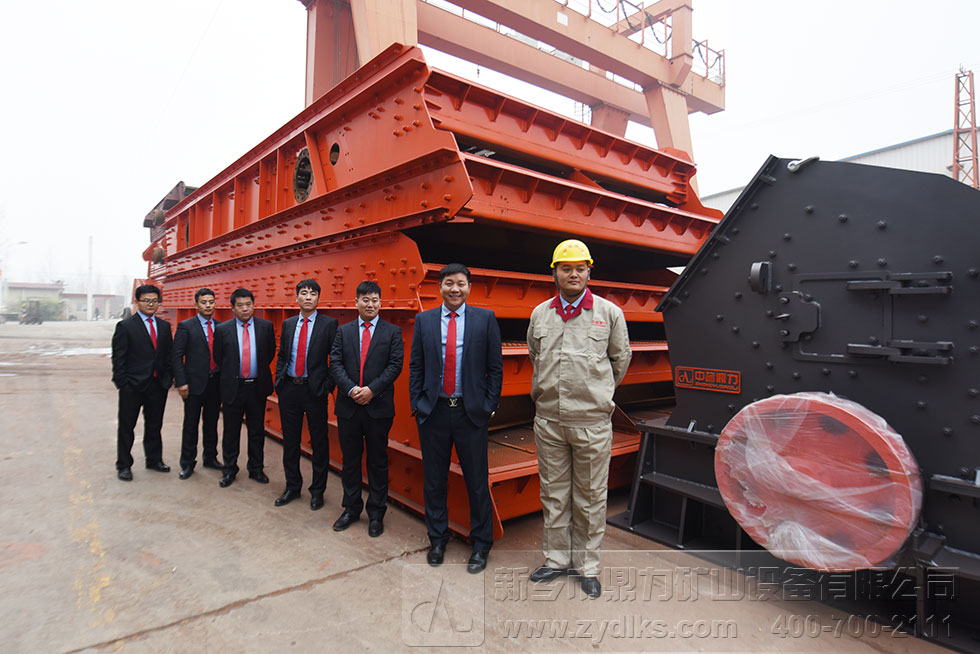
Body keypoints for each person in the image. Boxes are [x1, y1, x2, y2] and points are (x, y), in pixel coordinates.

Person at [526, 239, 632, 598]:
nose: (573, 274)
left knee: (590, 496)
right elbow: (535, 355)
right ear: (554, 272)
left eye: (580, 268)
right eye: (566, 268)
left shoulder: (609, 313)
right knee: (554, 495)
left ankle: (587, 566)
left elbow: (620, 360)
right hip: (549, 422)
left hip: (591, 423)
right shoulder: (540, 314)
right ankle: (556, 560)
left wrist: (595, 392)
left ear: (589, 271)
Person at [409, 263, 503, 573]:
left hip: (470, 413)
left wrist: (488, 406)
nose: (455, 289)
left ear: (469, 288)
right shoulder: (424, 321)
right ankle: (437, 539)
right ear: (440, 287)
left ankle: (481, 544)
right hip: (434, 412)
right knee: (435, 481)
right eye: (449, 283)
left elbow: (495, 367)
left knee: (476, 482)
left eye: (461, 284)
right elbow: (416, 365)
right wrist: (418, 404)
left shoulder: (484, 319)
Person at [329, 281, 404, 536]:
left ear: (381, 303)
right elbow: (335, 363)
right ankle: (351, 509)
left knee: (377, 461)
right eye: (365, 300)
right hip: (348, 407)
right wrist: (351, 390)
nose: (370, 304)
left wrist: (372, 390)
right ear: (356, 302)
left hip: (378, 407)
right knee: (350, 461)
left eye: (374, 300)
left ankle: (376, 514)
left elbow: (395, 365)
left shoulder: (392, 332)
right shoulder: (343, 331)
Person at [272, 279, 337, 510]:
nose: (308, 297)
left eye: (313, 293)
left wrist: (326, 386)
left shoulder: (329, 324)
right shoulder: (289, 324)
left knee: (319, 442)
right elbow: (282, 355)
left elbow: (335, 359)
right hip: (289, 389)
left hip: (314, 391)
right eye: (304, 293)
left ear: (318, 298)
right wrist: (279, 382)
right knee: (290, 441)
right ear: (297, 297)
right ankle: (292, 487)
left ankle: (317, 491)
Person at [213, 288, 276, 488]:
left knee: (256, 430)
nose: (245, 309)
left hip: (257, 387)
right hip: (234, 387)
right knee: (231, 431)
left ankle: (256, 469)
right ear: (233, 308)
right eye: (240, 305)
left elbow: (269, 353)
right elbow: (219, 357)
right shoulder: (223, 330)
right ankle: (229, 469)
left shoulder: (265, 327)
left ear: (254, 305)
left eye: (248, 304)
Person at [110, 284, 173, 481]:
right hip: (132, 386)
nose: (151, 304)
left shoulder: (164, 326)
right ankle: (124, 465)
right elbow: (118, 358)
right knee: (127, 426)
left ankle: (154, 460)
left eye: (154, 301)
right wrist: (122, 383)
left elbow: (168, 355)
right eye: (146, 301)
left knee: (154, 425)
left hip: (157, 384)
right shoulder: (126, 326)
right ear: (137, 302)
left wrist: (167, 377)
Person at [172, 288, 223, 479]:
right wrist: (181, 382)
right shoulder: (186, 326)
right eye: (204, 302)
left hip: (214, 383)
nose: (208, 305)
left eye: (211, 302)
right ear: (196, 305)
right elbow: (177, 356)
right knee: (191, 424)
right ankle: (187, 463)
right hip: (193, 384)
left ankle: (210, 457)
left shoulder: (220, 327)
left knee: (211, 423)